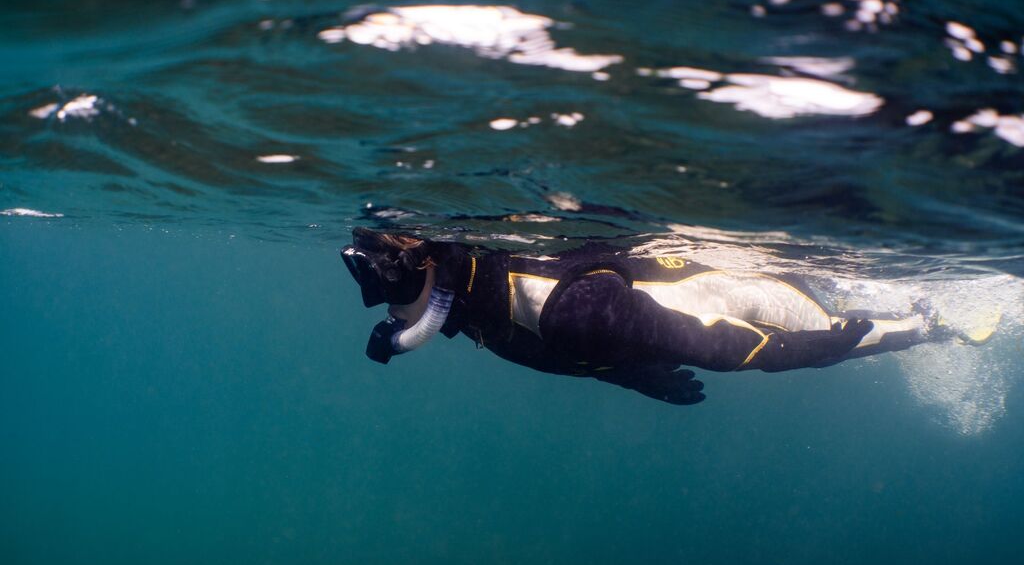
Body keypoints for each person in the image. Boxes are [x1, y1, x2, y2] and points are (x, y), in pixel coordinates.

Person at [341, 227, 949, 405]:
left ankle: (930, 324)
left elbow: (720, 348)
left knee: (836, 325)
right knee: (836, 309)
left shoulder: (562, 309)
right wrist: (632, 375)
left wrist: (809, 353)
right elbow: (561, 353)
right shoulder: (481, 304)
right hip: (687, 306)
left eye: (381, 281)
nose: (383, 307)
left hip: (732, 296)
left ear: (423, 264)